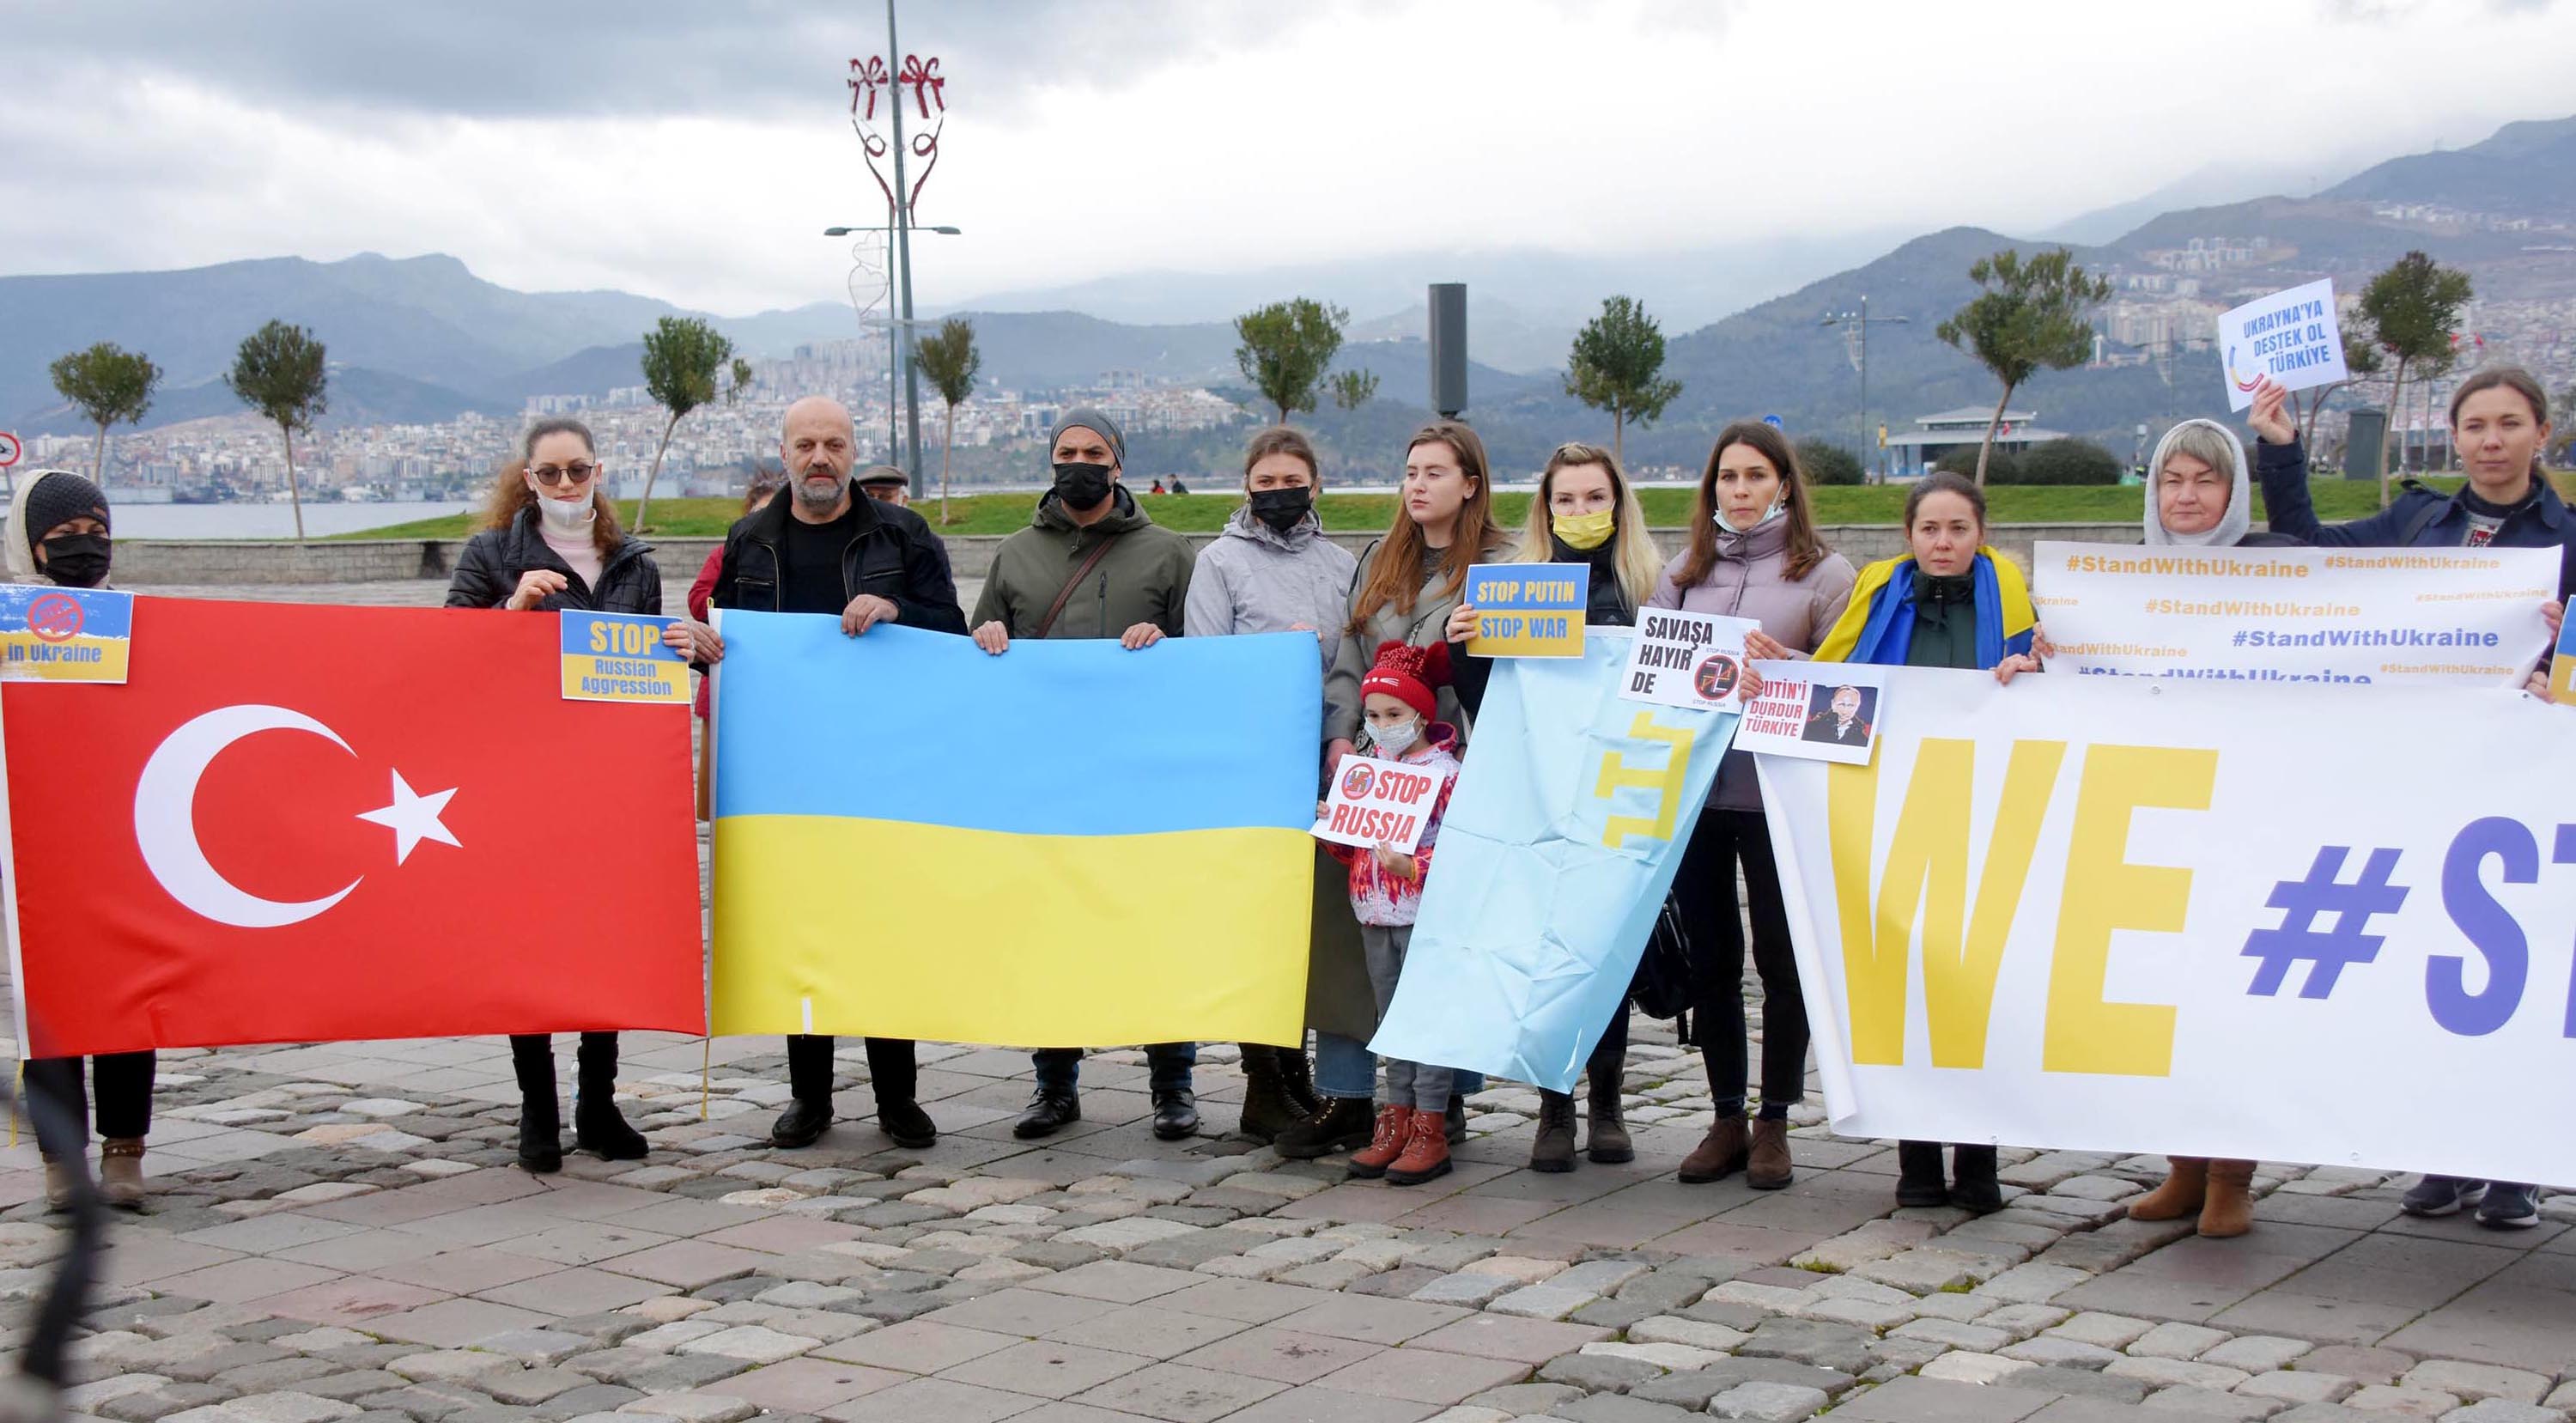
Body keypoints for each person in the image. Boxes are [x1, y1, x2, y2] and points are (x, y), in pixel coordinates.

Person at [2260, 368, 2566, 1231]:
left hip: (2527, 789)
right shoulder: (2419, 519)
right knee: (2435, 973)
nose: (2492, 440)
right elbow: (2310, 548)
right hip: (2426, 778)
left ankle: (2516, 1162)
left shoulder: (2568, 539)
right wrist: (2281, 450)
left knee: (2515, 978)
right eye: (2477, 425)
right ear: (2457, 436)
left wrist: (2567, 671)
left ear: (2541, 433)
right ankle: (2445, 1150)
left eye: (2510, 423)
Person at [447, 420, 719, 1171]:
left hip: (610, 780)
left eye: (578, 471)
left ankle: (598, 1102)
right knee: (529, 940)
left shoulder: (632, 561)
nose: (566, 486)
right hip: (523, 777)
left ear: (599, 471)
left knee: (606, 937)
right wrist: (512, 615)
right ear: (526, 479)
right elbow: (444, 658)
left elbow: (645, 669)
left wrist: (682, 648)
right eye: (550, 474)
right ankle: (538, 1108)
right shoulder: (493, 554)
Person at [709, 397, 968, 1152]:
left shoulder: (902, 532)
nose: (819, 457)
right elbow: (731, 635)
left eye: (834, 443)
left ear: (855, 452)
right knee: (802, 926)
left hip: (885, 762)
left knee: (886, 923)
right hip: (788, 766)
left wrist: (893, 606)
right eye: (805, 444)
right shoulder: (748, 540)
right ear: (784, 454)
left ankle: (898, 1098)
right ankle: (809, 1098)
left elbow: (950, 625)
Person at [970, 408, 1204, 1141]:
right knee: (1050, 925)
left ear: (1119, 464)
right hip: (1046, 776)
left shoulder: (1169, 553)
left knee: (1158, 924)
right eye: (1066, 452)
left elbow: (1207, 658)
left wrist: (1166, 644)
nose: (1079, 462)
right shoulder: (1014, 556)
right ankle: (1054, 1083)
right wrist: (985, 637)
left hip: (1143, 775)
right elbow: (971, 659)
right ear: (1051, 463)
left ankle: (1174, 1084)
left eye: (1092, 452)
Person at [1813, 470, 2036, 1213]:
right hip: (1891, 815)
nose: (1944, 543)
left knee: (1975, 989)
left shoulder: (2018, 610)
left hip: (1985, 816)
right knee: (1902, 985)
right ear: (1908, 535)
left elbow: (2061, 692)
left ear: (1982, 534)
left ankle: (1980, 1159)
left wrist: (2035, 672)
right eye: (1930, 529)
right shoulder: (1876, 599)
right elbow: (1828, 683)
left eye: (1958, 529)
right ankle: (1916, 1157)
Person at [1282, 420, 1504, 1159]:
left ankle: (1443, 1106)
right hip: (1372, 778)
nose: (1417, 484)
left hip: (1449, 780)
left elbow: (1517, 677)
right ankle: (1359, 1098)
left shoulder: (1505, 565)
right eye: (1411, 470)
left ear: (1471, 483)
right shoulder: (1380, 557)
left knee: (1440, 943)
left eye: (1436, 472)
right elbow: (1350, 651)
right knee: (1363, 940)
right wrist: (1340, 738)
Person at [2117, 391, 2307, 1236]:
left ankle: (2234, 1172)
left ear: (2234, 493)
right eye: (2173, 482)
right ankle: (2183, 1166)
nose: (2187, 498)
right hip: (2162, 812)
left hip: (2253, 811)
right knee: (2168, 993)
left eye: (2206, 482)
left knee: (2235, 999)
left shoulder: (2277, 565)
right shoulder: (2122, 584)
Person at [1445, 440, 1665, 1173]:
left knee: (1607, 947)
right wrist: (1465, 651)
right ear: (1545, 507)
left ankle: (1607, 1101)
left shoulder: (1653, 588)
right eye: (1565, 499)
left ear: (1617, 503)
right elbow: (1495, 709)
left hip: (1619, 791)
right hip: (1542, 792)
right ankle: (1553, 1103)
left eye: (1593, 498)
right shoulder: (1516, 588)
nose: (1579, 511)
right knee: (1546, 947)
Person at [1652, 422, 1856, 1191]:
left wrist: (1792, 670)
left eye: (1755, 476)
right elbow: (1652, 674)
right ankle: (1726, 1114)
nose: (1739, 491)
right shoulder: (1682, 572)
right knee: (1711, 960)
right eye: (1727, 478)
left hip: (1781, 797)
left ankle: (1775, 1118)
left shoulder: (1825, 574)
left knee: (1781, 959)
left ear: (1783, 485)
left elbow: (1853, 694)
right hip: (1702, 796)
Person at [1182, 426, 1351, 1141]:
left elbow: (1357, 655)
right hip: (1252, 767)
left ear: (1314, 485)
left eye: (1292, 480)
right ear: (1246, 487)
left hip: (1330, 763)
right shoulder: (1218, 562)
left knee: (1322, 930)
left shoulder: (1343, 563)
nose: (1279, 492)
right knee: (1262, 925)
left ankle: (1311, 1072)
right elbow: (1207, 663)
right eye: (1266, 481)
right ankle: (1265, 1077)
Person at [8, 470, 156, 1209]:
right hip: (35, 840)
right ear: (28, 544)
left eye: (95, 531)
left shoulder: (141, 618)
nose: (84, 547)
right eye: (63, 538)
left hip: (124, 832)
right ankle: (61, 1165)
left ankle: (125, 1152)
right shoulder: (8, 621)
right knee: (51, 1007)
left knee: (126, 1000)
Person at [1333, 642, 1464, 1186]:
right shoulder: (1370, 771)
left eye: (1394, 714)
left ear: (1421, 714)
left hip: (1423, 913)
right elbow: (1355, 849)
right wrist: (1337, 827)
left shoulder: (1446, 774)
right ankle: (1397, 1117)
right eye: (1373, 716)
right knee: (1390, 1021)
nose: (1383, 725)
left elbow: (1462, 849)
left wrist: (1415, 867)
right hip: (1374, 914)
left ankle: (1431, 1125)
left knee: (1427, 1018)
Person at [689, 469, 787, 818]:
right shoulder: (726, 553)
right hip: (725, 684)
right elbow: (700, 598)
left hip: (776, 688)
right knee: (720, 788)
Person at [1802, 685, 1872, 744]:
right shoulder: (1811, 729)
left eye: (1850, 705)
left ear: (1857, 707)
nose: (1845, 711)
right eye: (1841, 704)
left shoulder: (1862, 739)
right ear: (1833, 704)